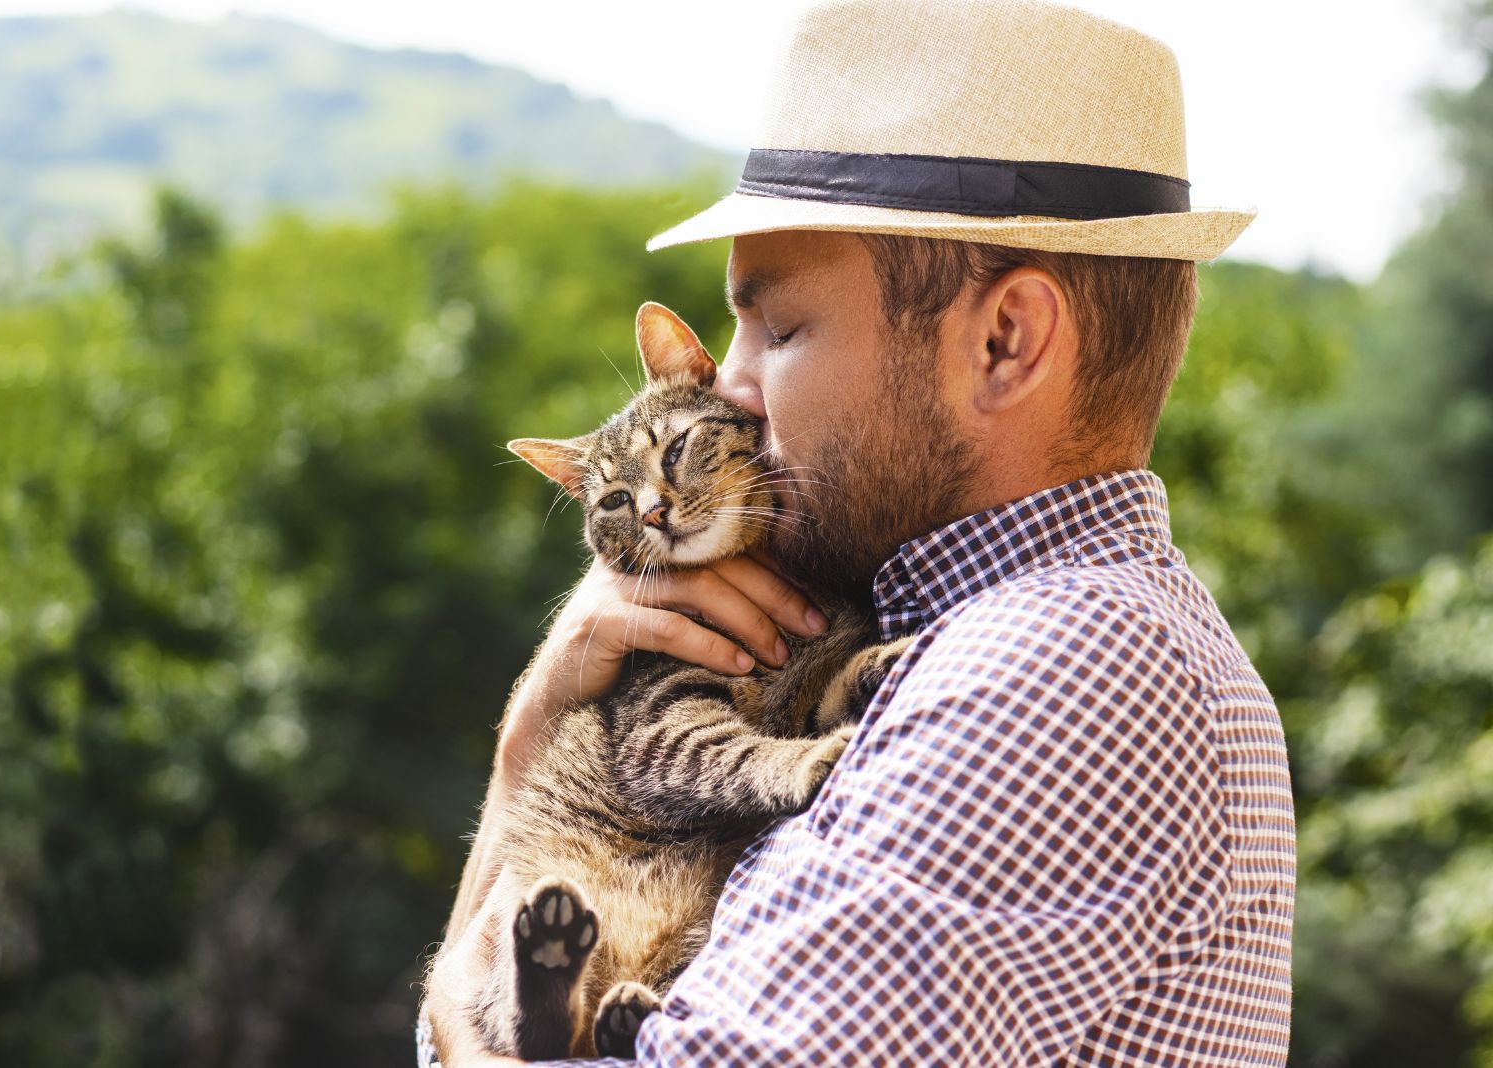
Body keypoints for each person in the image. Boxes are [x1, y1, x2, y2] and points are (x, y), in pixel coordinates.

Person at [419, 0, 1296, 1063]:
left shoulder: (1056, 667)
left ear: (1005, 342)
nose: (729, 390)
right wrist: (540, 732)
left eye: (778, 327)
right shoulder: (945, 640)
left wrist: (454, 1010)